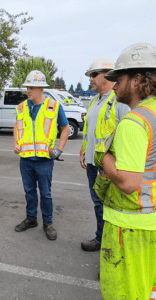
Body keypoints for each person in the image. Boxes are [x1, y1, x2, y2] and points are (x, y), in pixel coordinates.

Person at [95, 43, 156, 300]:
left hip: (128, 227)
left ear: (137, 79)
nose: (115, 85)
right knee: (146, 291)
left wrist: (105, 157)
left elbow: (129, 183)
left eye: (118, 79)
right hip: (149, 220)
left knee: (124, 293)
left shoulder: (133, 122)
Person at [79, 57, 129, 252]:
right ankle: (101, 240)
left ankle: (110, 248)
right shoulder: (93, 101)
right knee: (98, 205)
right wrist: (83, 150)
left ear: (107, 74)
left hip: (108, 167)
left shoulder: (119, 101)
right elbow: (89, 131)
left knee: (109, 208)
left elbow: (127, 133)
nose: (90, 79)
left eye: (93, 74)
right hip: (93, 164)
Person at [13, 70, 70, 240]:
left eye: (31, 87)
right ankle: (31, 219)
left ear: (40, 89)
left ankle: (48, 223)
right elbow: (17, 126)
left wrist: (58, 149)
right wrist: (15, 142)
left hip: (44, 160)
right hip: (26, 159)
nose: (28, 90)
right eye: (27, 87)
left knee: (45, 193)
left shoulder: (53, 106)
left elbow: (65, 128)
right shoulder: (22, 107)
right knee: (29, 191)